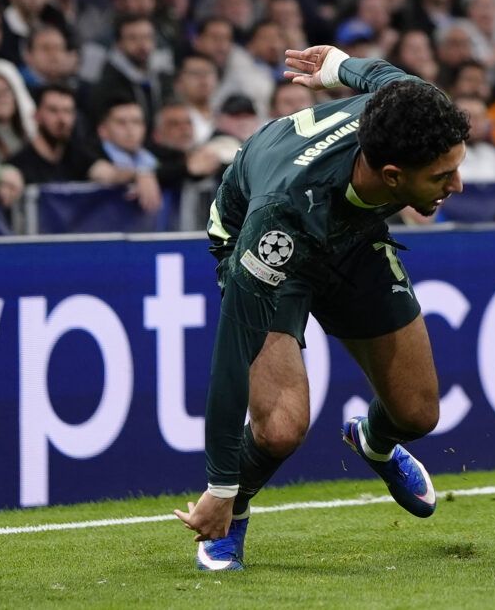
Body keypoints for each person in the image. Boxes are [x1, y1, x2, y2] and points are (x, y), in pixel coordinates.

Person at [176, 44, 467, 572]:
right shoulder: (277, 220)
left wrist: (336, 65)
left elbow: (380, 74)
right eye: (442, 176)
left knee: (417, 413)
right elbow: (230, 356)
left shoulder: (419, 108)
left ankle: (373, 442)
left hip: (350, 238)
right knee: (282, 427)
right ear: (394, 176)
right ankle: (232, 510)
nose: (458, 184)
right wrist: (220, 484)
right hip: (266, 240)